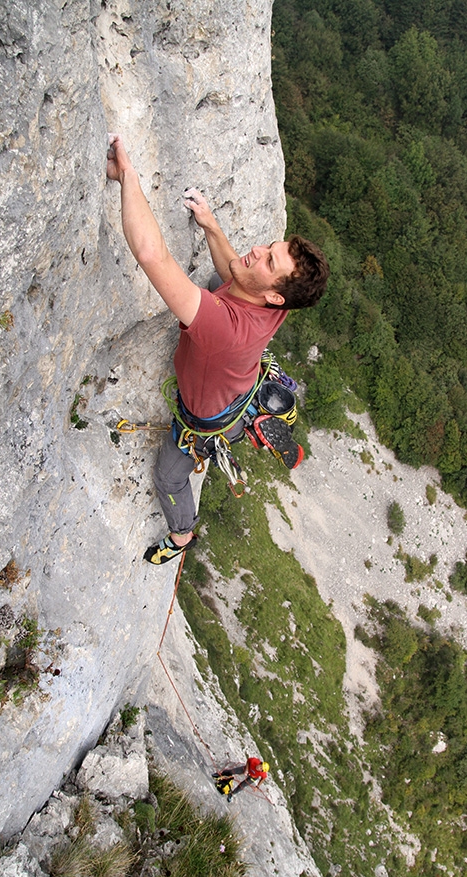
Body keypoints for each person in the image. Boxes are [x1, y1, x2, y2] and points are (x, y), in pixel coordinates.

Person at [106, 133, 330, 564]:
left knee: (168, 478)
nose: (257, 250)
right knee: (218, 283)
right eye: (271, 247)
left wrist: (128, 177)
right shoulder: (272, 299)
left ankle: (183, 535)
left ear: (277, 298)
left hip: (207, 417)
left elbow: (153, 256)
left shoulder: (224, 328)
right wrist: (210, 225)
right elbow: (235, 273)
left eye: (269, 260)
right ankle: (261, 406)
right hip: (237, 370)